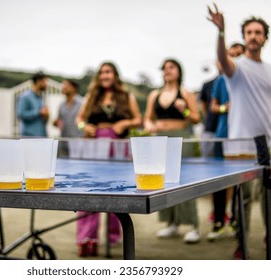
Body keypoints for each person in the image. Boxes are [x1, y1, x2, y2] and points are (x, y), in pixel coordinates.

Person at [207, 4, 271, 258]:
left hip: (266, 143)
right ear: (244, 36)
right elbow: (223, 60)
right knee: (244, 197)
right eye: (249, 32)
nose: (253, 36)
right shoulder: (236, 68)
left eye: (258, 32)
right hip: (240, 143)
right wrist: (221, 33)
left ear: (265, 38)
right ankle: (241, 244)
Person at [75, 61, 142, 257]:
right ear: (98, 76)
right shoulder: (91, 97)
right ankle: (87, 238)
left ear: (115, 75)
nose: (105, 75)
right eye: (102, 72)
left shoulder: (126, 96)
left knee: (116, 191)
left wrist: (125, 123)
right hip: (93, 147)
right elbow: (79, 120)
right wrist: (84, 127)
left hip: (118, 148)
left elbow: (139, 120)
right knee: (89, 191)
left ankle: (114, 235)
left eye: (109, 72)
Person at [144, 58, 201, 244]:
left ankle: (194, 226)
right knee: (163, 180)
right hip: (159, 138)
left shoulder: (185, 93)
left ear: (179, 71)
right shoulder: (155, 95)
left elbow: (196, 118)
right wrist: (150, 126)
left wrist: (184, 111)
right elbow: (148, 118)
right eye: (164, 68)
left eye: (171, 67)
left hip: (180, 138)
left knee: (184, 180)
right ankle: (171, 223)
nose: (167, 70)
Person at [206, 43, 245, 241]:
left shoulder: (248, 80)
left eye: (239, 56)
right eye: (232, 55)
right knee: (220, 181)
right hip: (223, 135)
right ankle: (219, 222)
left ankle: (238, 223)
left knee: (241, 183)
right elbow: (213, 107)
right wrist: (225, 108)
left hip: (243, 139)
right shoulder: (221, 80)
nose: (234, 59)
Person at [53, 79, 84, 156]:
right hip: (63, 143)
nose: (63, 87)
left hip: (78, 143)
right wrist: (55, 123)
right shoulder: (61, 105)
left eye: (66, 85)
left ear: (74, 88)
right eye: (63, 85)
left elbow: (84, 123)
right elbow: (58, 121)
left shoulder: (82, 104)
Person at [17, 72, 49, 137]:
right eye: (45, 81)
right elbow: (21, 114)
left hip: (41, 136)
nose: (46, 84)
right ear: (38, 81)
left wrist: (46, 115)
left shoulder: (40, 97)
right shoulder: (25, 97)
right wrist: (39, 112)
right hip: (29, 137)